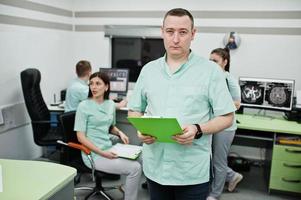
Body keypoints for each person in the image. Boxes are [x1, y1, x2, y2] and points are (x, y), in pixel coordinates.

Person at [128, 8, 236, 200]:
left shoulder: (211, 71)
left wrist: (197, 129)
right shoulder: (148, 71)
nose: (175, 39)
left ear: (193, 34)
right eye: (170, 32)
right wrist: (140, 130)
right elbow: (135, 110)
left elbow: (227, 117)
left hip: (191, 172)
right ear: (162, 32)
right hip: (155, 168)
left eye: (183, 32)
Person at [74, 72, 142, 200]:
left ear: (106, 87)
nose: (93, 87)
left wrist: (120, 132)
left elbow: (110, 126)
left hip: (108, 148)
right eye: (91, 84)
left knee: (141, 156)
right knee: (135, 168)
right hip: (93, 154)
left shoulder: (110, 104)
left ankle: (128, 189)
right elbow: (80, 137)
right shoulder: (83, 106)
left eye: (98, 84)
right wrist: (102, 153)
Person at [207, 48, 243, 200]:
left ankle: (215, 195)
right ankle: (233, 175)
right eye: (210, 61)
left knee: (218, 161)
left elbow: (237, 104)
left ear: (225, 62)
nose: (211, 64)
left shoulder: (230, 80)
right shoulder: (210, 78)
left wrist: (222, 104)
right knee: (209, 158)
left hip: (226, 127)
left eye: (215, 61)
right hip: (211, 124)